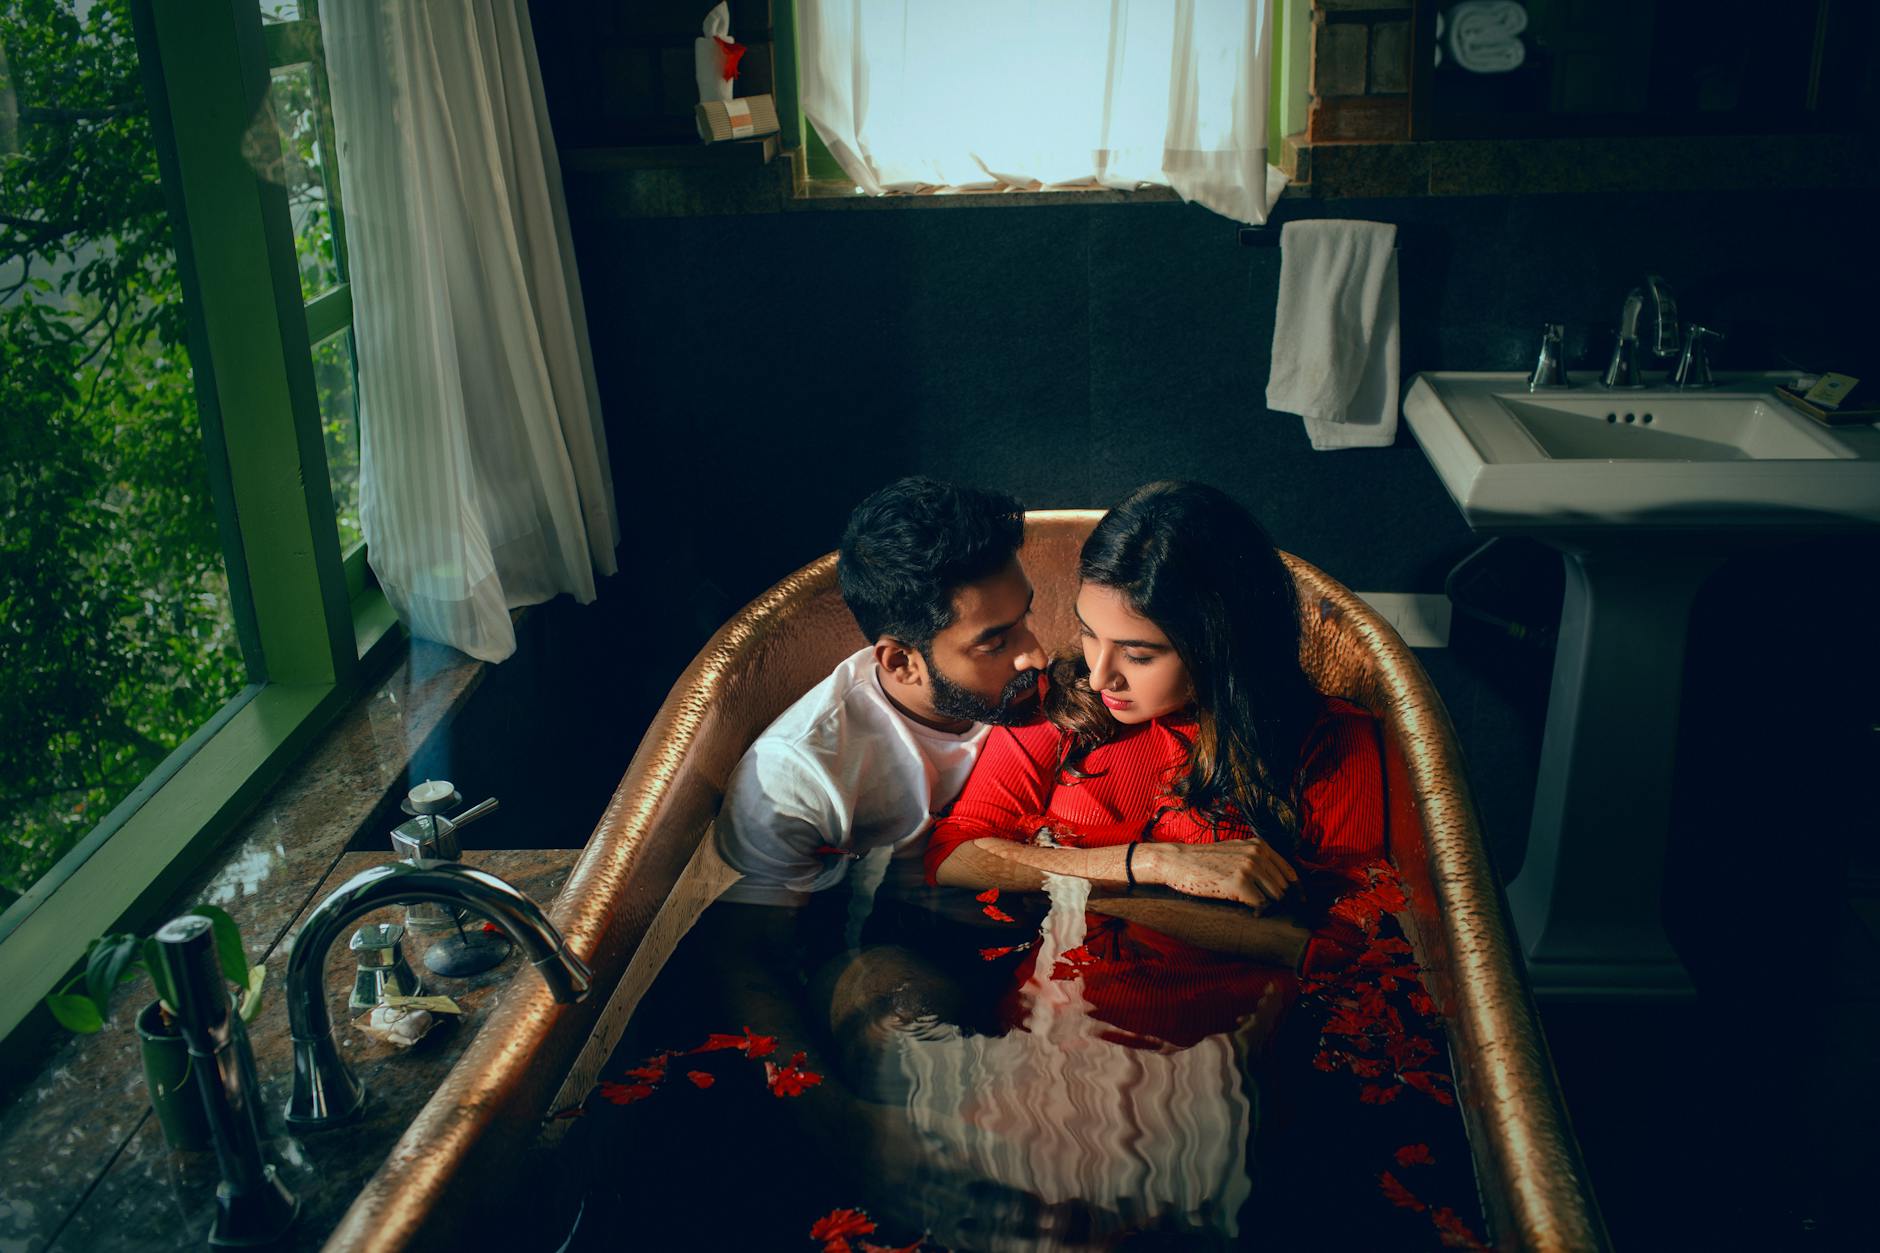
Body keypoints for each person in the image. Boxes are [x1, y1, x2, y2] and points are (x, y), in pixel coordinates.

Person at [923, 480, 1390, 1043]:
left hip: (1217, 1048)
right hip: (1041, 1026)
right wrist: (1155, 864)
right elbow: (955, 855)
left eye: (1140, 655)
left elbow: (1344, 946)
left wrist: (1077, 885)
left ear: (1221, 645)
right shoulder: (1060, 706)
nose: (1100, 676)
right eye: (1089, 634)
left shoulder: (1327, 741)